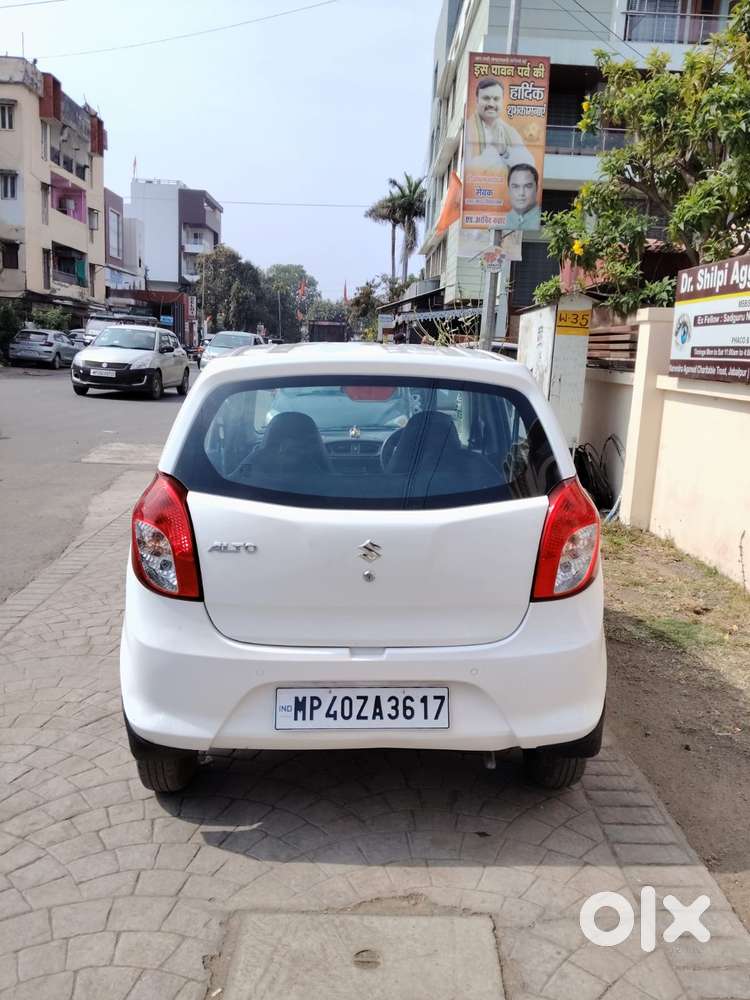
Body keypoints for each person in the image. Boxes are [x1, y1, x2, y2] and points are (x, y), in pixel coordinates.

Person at [466, 78, 535, 171]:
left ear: (502, 102)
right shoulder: (469, 129)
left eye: (496, 99)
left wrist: (504, 152)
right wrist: (494, 150)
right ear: (477, 100)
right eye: (486, 98)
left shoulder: (509, 131)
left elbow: (529, 164)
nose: (491, 104)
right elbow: (469, 169)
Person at [505, 163, 542, 230]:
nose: (521, 193)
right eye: (515, 186)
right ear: (509, 189)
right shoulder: (498, 224)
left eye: (528, 186)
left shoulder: (546, 220)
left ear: (537, 188)